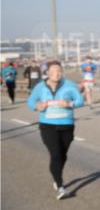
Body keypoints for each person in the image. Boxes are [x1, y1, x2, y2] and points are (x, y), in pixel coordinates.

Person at [26, 61, 84, 200]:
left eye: (59, 71)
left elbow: (80, 100)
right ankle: (60, 186)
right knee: (56, 154)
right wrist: (38, 106)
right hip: (48, 126)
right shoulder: (40, 86)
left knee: (63, 155)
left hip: (67, 126)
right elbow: (31, 102)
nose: (56, 74)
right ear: (47, 73)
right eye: (53, 71)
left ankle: (56, 177)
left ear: (62, 72)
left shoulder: (70, 85)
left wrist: (69, 103)